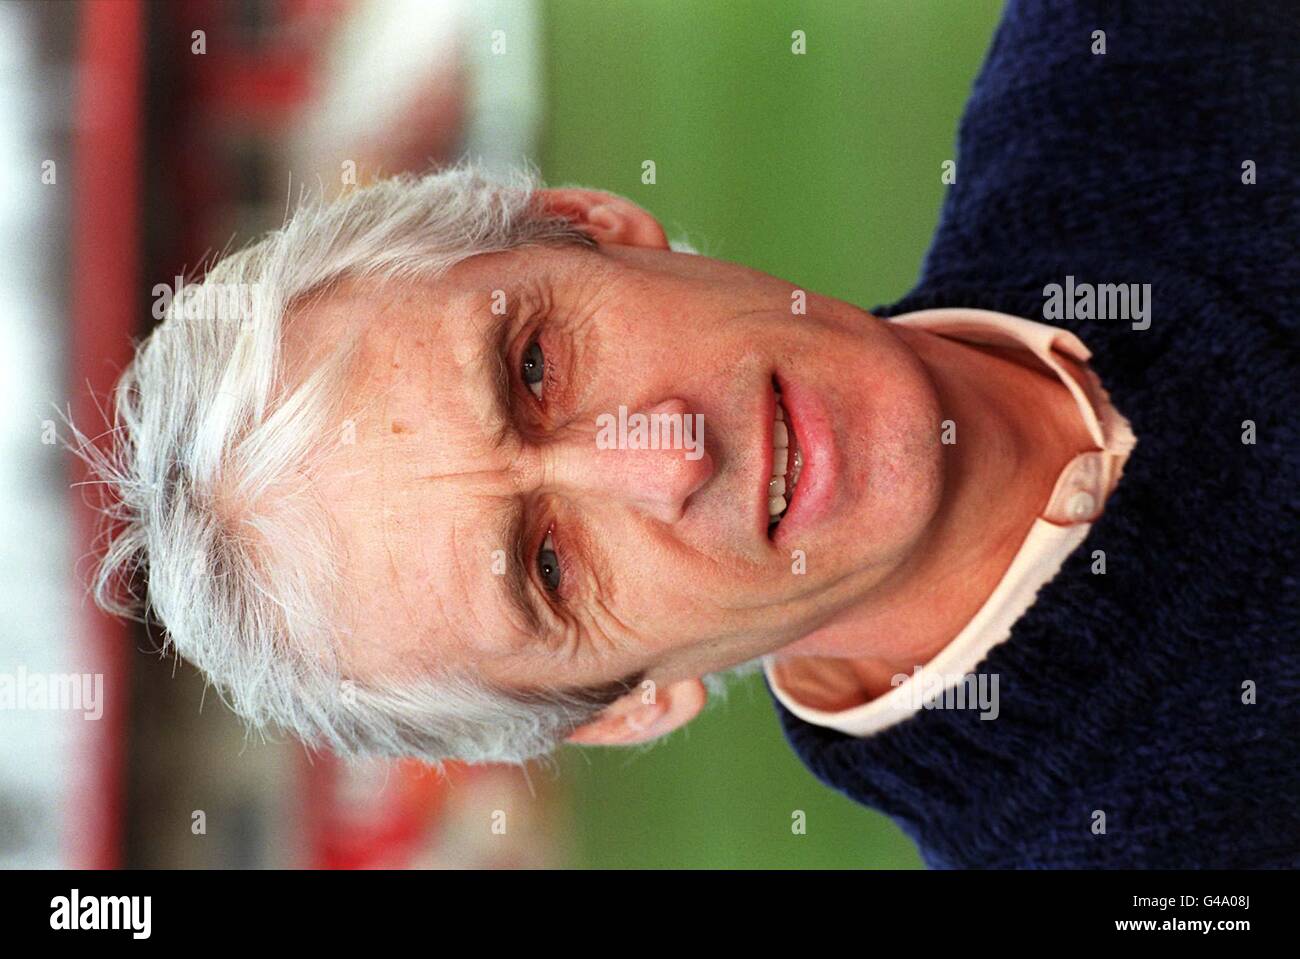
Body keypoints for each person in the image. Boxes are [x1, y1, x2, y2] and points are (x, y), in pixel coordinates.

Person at [80, 0, 1298, 867]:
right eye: (550, 566)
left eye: (538, 365)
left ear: (594, 222)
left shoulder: (1142, 42)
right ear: (631, 707)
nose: (665, 455)